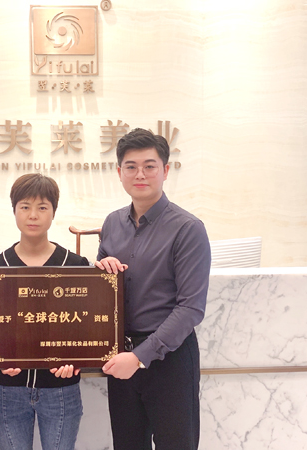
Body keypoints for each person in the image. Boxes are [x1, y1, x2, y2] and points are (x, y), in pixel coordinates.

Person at [95, 128, 211, 450]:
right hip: (120, 356)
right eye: (131, 166)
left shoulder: (187, 228)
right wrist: (100, 269)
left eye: (150, 166)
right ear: (119, 172)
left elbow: (190, 308)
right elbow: (102, 289)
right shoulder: (112, 223)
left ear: (166, 170)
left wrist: (139, 357)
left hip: (169, 359)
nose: (140, 174)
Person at [0, 173, 88, 450]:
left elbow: (85, 328)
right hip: (8, 389)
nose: (33, 215)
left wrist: (76, 359)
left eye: (42, 207)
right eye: (25, 206)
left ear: (53, 212)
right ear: (14, 210)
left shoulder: (75, 265)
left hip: (61, 388)